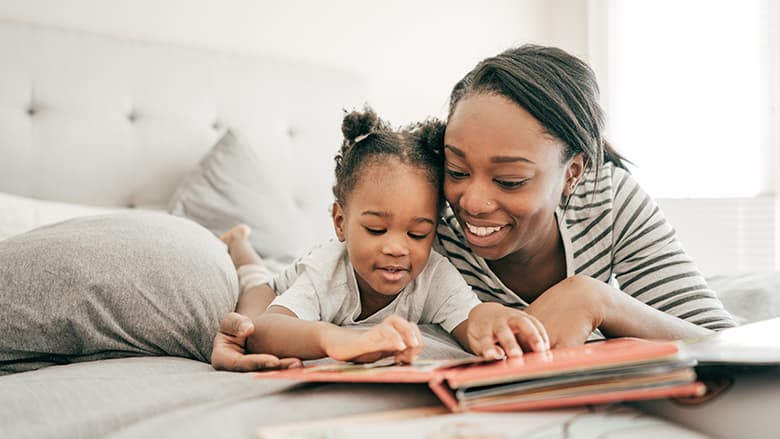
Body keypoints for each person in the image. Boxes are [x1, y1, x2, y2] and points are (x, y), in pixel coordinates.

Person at [212, 44, 735, 371]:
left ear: (573, 172)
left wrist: (599, 300)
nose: (472, 203)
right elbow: (321, 293)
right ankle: (241, 246)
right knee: (262, 273)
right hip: (290, 274)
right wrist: (247, 328)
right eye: (456, 170)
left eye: (509, 179)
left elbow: (731, 344)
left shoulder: (611, 201)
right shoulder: (422, 225)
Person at [212, 108, 550, 371]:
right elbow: (268, 329)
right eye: (376, 229)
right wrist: (335, 339)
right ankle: (240, 242)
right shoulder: (325, 272)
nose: (396, 248)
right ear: (341, 222)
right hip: (278, 287)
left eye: (418, 234)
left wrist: (493, 318)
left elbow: (469, 317)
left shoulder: (434, 274)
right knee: (253, 297)